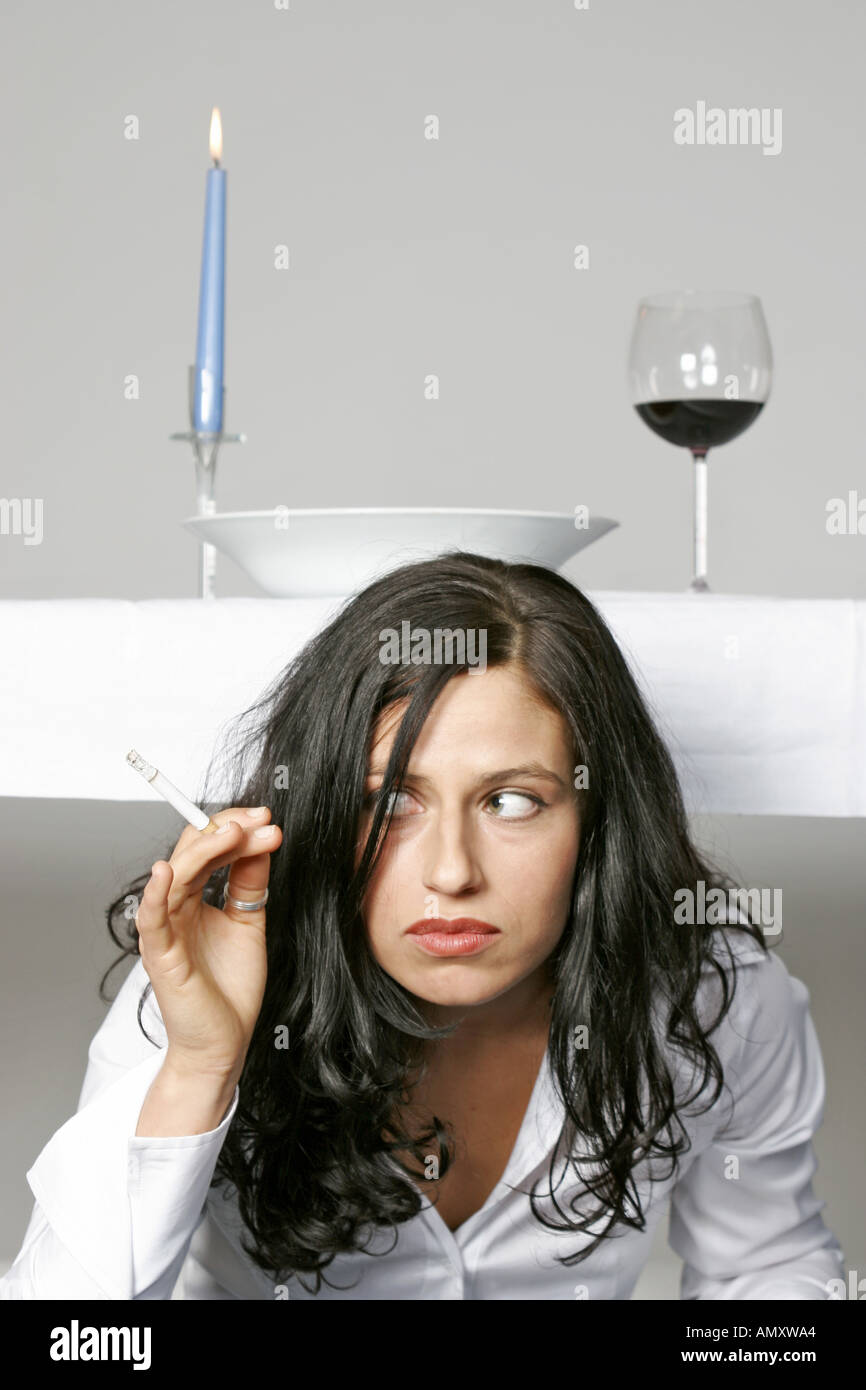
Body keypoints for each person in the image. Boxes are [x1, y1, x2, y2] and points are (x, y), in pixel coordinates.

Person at [0, 552, 845, 1299]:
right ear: (325, 811)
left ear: (597, 818)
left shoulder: (715, 1000)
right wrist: (199, 1068)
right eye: (390, 802)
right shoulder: (205, 985)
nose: (452, 872)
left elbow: (765, 1268)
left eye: (512, 802)